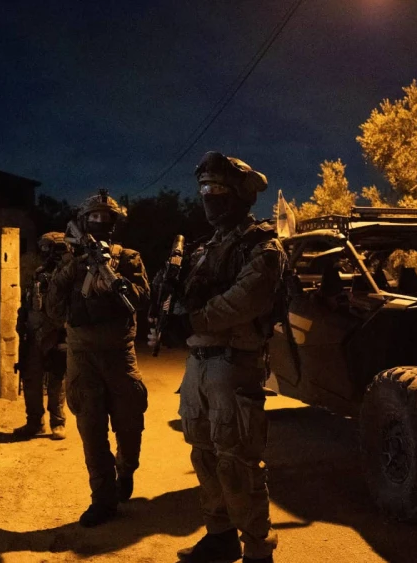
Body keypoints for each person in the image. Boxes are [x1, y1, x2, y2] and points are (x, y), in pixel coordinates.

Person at [157, 151, 285, 563]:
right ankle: (220, 534)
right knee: (203, 451)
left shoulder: (262, 246)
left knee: (237, 458)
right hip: (199, 364)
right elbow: (178, 296)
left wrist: (191, 321)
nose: (209, 198)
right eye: (205, 190)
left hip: (234, 361)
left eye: (218, 190)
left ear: (241, 196)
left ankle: (257, 547)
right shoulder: (203, 248)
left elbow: (244, 301)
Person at [44, 191, 150, 527]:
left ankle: (126, 468)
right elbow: (53, 309)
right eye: (94, 217)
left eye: (107, 217)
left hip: (120, 354)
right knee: (91, 430)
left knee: (130, 423)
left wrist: (111, 278)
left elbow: (143, 300)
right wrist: (74, 268)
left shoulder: (130, 258)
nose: (100, 222)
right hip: (83, 355)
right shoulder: (70, 260)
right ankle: (102, 499)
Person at [14, 232, 70, 440]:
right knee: (31, 380)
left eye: (48, 248)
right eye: (43, 248)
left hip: (57, 334)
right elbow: (27, 303)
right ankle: (34, 422)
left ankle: (58, 422)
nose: (44, 252)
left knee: (56, 380)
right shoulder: (38, 273)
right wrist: (22, 325)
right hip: (34, 334)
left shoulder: (68, 274)